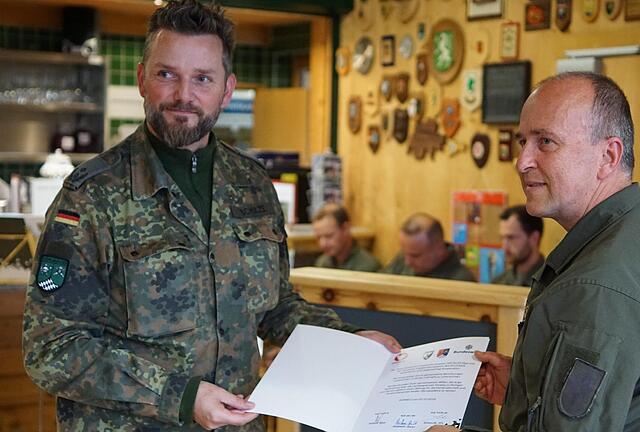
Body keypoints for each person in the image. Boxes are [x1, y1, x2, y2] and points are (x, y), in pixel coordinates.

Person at [22, 2, 399, 431]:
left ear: (227, 89)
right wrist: (181, 397)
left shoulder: (253, 185)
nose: (184, 94)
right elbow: (51, 350)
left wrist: (351, 341)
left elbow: (275, 309)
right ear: (143, 78)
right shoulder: (92, 195)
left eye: (202, 78)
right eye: (167, 75)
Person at [429, 72, 640, 431]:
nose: (522, 161)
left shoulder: (599, 286)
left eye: (546, 142)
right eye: (522, 141)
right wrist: (531, 385)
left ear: (608, 156)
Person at [381, 213, 475, 281]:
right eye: (404, 252)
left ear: (439, 249)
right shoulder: (403, 258)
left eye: (415, 256)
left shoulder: (460, 280)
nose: (407, 262)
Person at [312, 203, 381, 272]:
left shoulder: (368, 267)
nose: (323, 244)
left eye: (329, 236)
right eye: (318, 237)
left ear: (346, 228)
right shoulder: (322, 263)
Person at [491, 205, 545, 287]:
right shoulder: (497, 284)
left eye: (511, 238)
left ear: (534, 238)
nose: (504, 247)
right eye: (502, 238)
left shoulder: (551, 284)